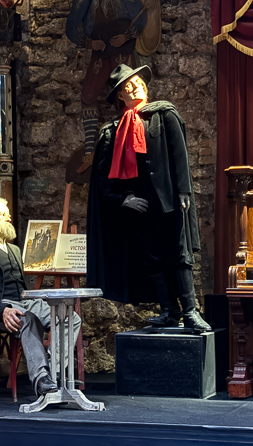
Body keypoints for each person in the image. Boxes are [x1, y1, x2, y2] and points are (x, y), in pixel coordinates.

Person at [87, 64, 211, 331]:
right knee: (152, 259)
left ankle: (190, 312)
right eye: (127, 86)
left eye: (137, 82)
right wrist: (123, 200)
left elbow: (179, 154)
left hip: (169, 200)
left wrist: (183, 190)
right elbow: (103, 179)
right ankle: (169, 311)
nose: (135, 87)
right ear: (120, 95)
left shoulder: (164, 114)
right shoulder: (112, 131)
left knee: (180, 254)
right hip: (139, 207)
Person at [0, 197, 82, 396]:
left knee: (70, 317)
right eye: (1, 214)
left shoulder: (15, 250)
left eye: (8, 214)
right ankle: (41, 379)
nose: (8, 218)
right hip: (0, 306)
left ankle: (55, 372)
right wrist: (3, 311)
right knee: (27, 319)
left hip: (24, 301)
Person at [65, 0, 149, 173]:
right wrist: (89, 43)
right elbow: (71, 27)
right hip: (100, 50)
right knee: (88, 95)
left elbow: (141, 15)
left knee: (132, 97)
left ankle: (135, 144)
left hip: (124, 48)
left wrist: (127, 36)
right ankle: (90, 151)